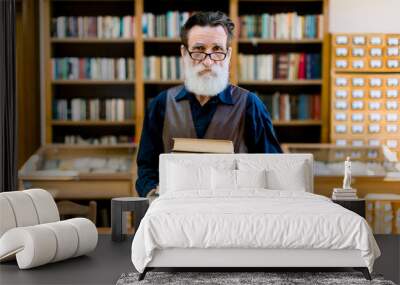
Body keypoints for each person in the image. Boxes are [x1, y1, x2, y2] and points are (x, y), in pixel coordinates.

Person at [136, 11, 282, 198]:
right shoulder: (161, 104)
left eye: (217, 50)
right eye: (198, 50)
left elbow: (275, 169)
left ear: (228, 55)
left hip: (235, 216)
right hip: (175, 216)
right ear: (184, 53)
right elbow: (146, 168)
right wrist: (152, 193)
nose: (207, 61)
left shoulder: (250, 104)